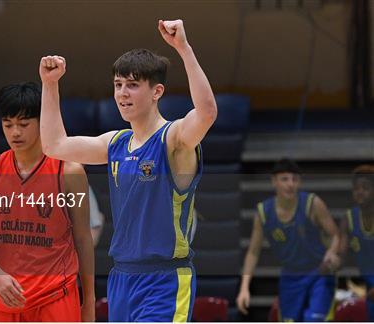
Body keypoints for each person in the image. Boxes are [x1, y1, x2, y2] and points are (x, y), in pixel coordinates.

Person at [39, 19, 217, 321]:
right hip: (122, 278)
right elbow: (54, 145)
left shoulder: (173, 140)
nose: (122, 93)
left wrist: (183, 49)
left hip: (164, 280)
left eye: (133, 85)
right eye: (118, 85)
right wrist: (50, 84)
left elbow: (207, 112)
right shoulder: (116, 143)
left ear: (156, 91)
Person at [0, 82, 95, 322]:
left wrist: (88, 301)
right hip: (8, 298)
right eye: (8, 124)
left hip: (57, 296)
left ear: (41, 121)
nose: (15, 132)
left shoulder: (69, 171)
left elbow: (83, 238)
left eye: (24, 124)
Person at [236, 158, 341, 321]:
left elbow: (335, 235)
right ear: (274, 181)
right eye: (285, 179)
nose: (290, 184)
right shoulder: (263, 212)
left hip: (318, 273)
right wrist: (244, 288)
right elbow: (253, 252)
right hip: (290, 276)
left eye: (294, 179)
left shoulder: (312, 203)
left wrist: (332, 252)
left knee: (313, 320)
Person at [339, 164, 374, 321]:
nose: (360, 192)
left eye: (365, 188)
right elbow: (340, 256)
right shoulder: (349, 218)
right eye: (356, 188)